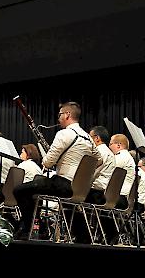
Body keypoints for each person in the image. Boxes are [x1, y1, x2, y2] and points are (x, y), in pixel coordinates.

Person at [13, 101, 102, 239]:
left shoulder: (64, 134)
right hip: (81, 188)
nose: (58, 118)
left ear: (67, 115)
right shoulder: (88, 138)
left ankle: (31, 229)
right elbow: (99, 160)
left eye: (60, 114)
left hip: (63, 185)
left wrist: (54, 157)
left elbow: (47, 163)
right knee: (40, 187)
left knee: (19, 190)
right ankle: (79, 236)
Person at [87, 125, 116, 204]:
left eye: (89, 137)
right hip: (106, 193)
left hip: (95, 193)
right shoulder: (110, 153)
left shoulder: (98, 152)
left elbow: (92, 173)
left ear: (97, 138)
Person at [108, 134, 136, 209]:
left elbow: (109, 172)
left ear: (118, 145)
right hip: (122, 197)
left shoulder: (121, 156)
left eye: (110, 144)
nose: (109, 147)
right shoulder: (126, 156)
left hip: (118, 198)